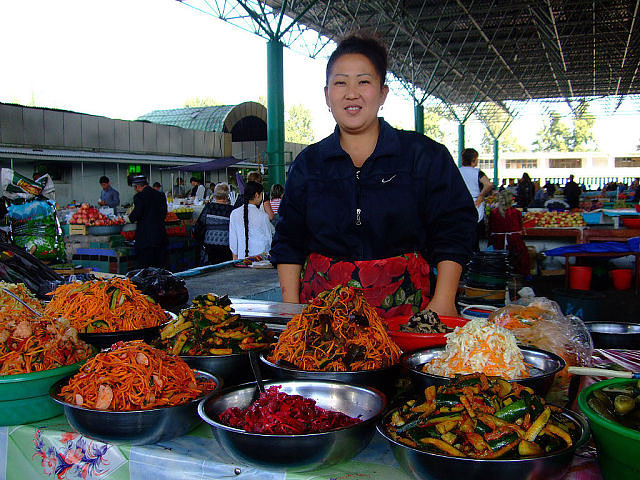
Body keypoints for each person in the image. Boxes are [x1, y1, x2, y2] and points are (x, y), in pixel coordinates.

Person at [270, 33, 476, 318]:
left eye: (364, 81)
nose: (351, 92)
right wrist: (290, 307)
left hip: (411, 314)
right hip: (322, 318)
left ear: (382, 93)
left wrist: (443, 301)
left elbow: (455, 227)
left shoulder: (425, 156)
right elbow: (289, 239)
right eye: (340, 82)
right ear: (327, 95)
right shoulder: (308, 165)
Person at [128, 174, 168, 269]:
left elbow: (136, 214)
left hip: (145, 240)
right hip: (160, 237)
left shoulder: (139, 197)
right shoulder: (160, 195)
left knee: (145, 269)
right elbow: (164, 213)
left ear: (137, 186)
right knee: (159, 267)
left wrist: (130, 218)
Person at [488, 190, 530, 276]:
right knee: (519, 262)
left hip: (497, 243)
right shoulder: (517, 213)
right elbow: (520, 228)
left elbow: (489, 229)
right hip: (515, 244)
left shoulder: (493, 213)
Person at [459, 148, 493, 252]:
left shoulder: (457, 171)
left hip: (460, 206)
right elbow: (488, 184)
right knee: (475, 238)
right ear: (474, 160)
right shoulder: (477, 172)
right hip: (475, 205)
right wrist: (481, 195)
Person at [229, 181, 274, 260]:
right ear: (256, 195)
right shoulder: (263, 216)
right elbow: (269, 240)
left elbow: (233, 243)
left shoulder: (234, 213)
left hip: (241, 259)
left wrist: (235, 259)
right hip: (260, 260)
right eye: (261, 195)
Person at [193, 182, 234, 265]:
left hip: (209, 245)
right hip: (226, 245)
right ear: (227, 196)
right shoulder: (231, 210)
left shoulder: (208, 207)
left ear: (215, 195)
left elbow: (199, 226)